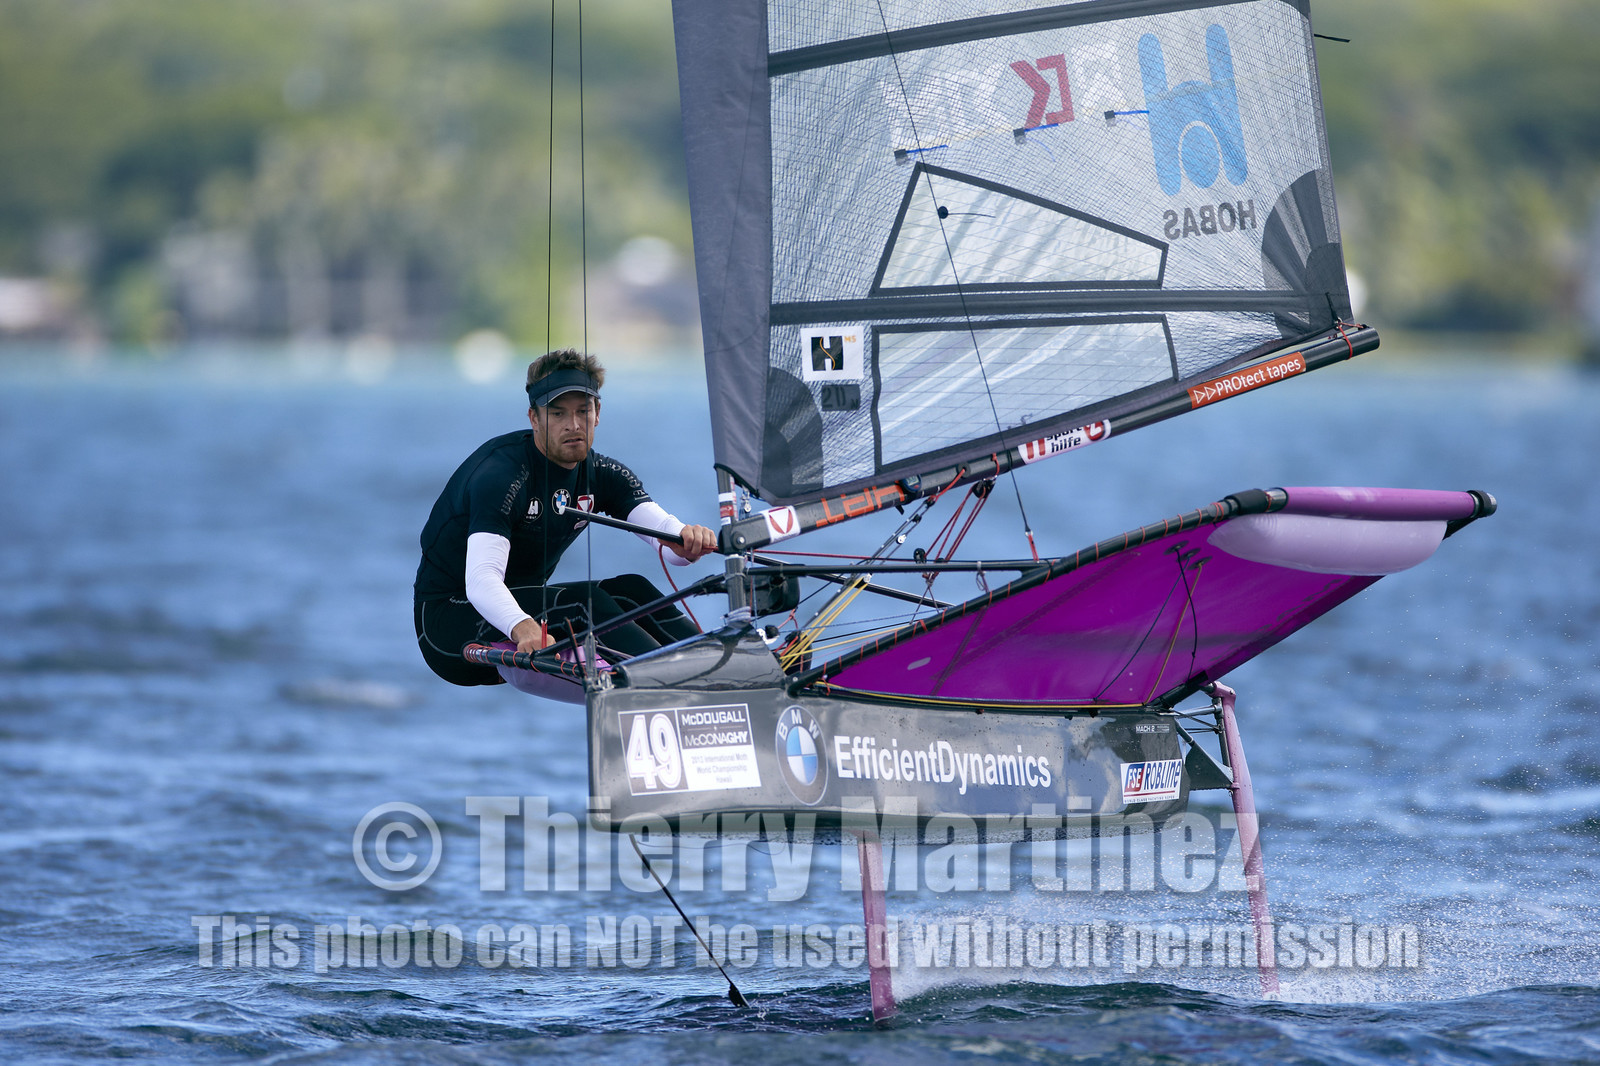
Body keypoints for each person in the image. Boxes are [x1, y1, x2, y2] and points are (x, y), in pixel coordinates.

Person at [414, 349, 716, 686]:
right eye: (557, 414)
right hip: (450, 625)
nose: (573, 425)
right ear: (534, 418)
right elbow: (481, 579)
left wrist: (684, 540)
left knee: (633, 588)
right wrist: (522, 625)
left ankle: (715, 664)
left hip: (523, 612)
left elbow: (662, 531)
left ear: (597, 413)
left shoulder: (602, 473)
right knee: (584, 604)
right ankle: (673, 683)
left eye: (582, 411)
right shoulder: (500, 475)